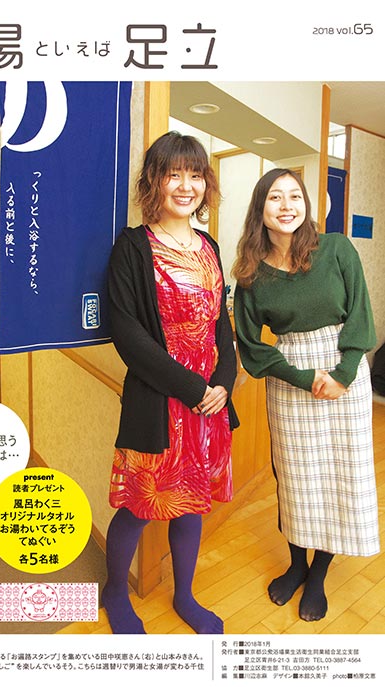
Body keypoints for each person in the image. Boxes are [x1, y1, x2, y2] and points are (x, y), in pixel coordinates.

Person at [102, 131, 239, 634]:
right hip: (160, 397)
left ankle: (185, 595)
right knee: (139, 505)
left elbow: (220, 325)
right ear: (154, 181)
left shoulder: (210, 246)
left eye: (195, 174)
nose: (186, 185)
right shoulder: (133, 247)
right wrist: (195, 389)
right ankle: (115, 592)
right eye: (173, 174)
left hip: (208, 402)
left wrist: (223, 383)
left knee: (191, 501)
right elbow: (127, 333)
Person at [232, 168, 380, 622]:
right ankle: (296, 564)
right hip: (291, 376)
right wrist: (302, 378)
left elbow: (361, 314)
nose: (287, 205)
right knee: (296, 477)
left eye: (294, 196)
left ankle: (318, 573)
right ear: (260, 209)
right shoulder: (252, 273)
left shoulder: (336, 248)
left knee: (339, 473)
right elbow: (251, 345)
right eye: (275, 197)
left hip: (345, 372)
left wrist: (343, 374)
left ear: (306, 204)